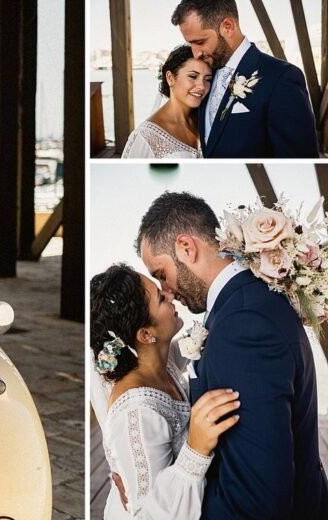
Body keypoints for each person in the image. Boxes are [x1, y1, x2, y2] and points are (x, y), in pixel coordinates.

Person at [136, 191, 328, 518]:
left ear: (186, 247)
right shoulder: (249, 301)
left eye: (161, 275)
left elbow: (257, 502)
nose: (166, 292)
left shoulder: (243, 324)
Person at [91, 263, 239, 518]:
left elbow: (188, 347)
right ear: (146, 334)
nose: (170, 294)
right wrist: (196, 448)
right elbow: (150, 513)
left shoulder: (158, 362)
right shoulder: (136, 414)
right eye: (160, 298)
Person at [172, 0, 318, 158]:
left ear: (228, 26)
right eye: (191, 44)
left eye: (200, 42)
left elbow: (300, 160)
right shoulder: (205, 77)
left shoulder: (282, 78)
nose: (196, 53)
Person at [121, 45, 211, 159]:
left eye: (208, 79)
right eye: (193, 76)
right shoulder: (145, 137)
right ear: (170, 78)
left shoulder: (207, 122)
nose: (202, 86)